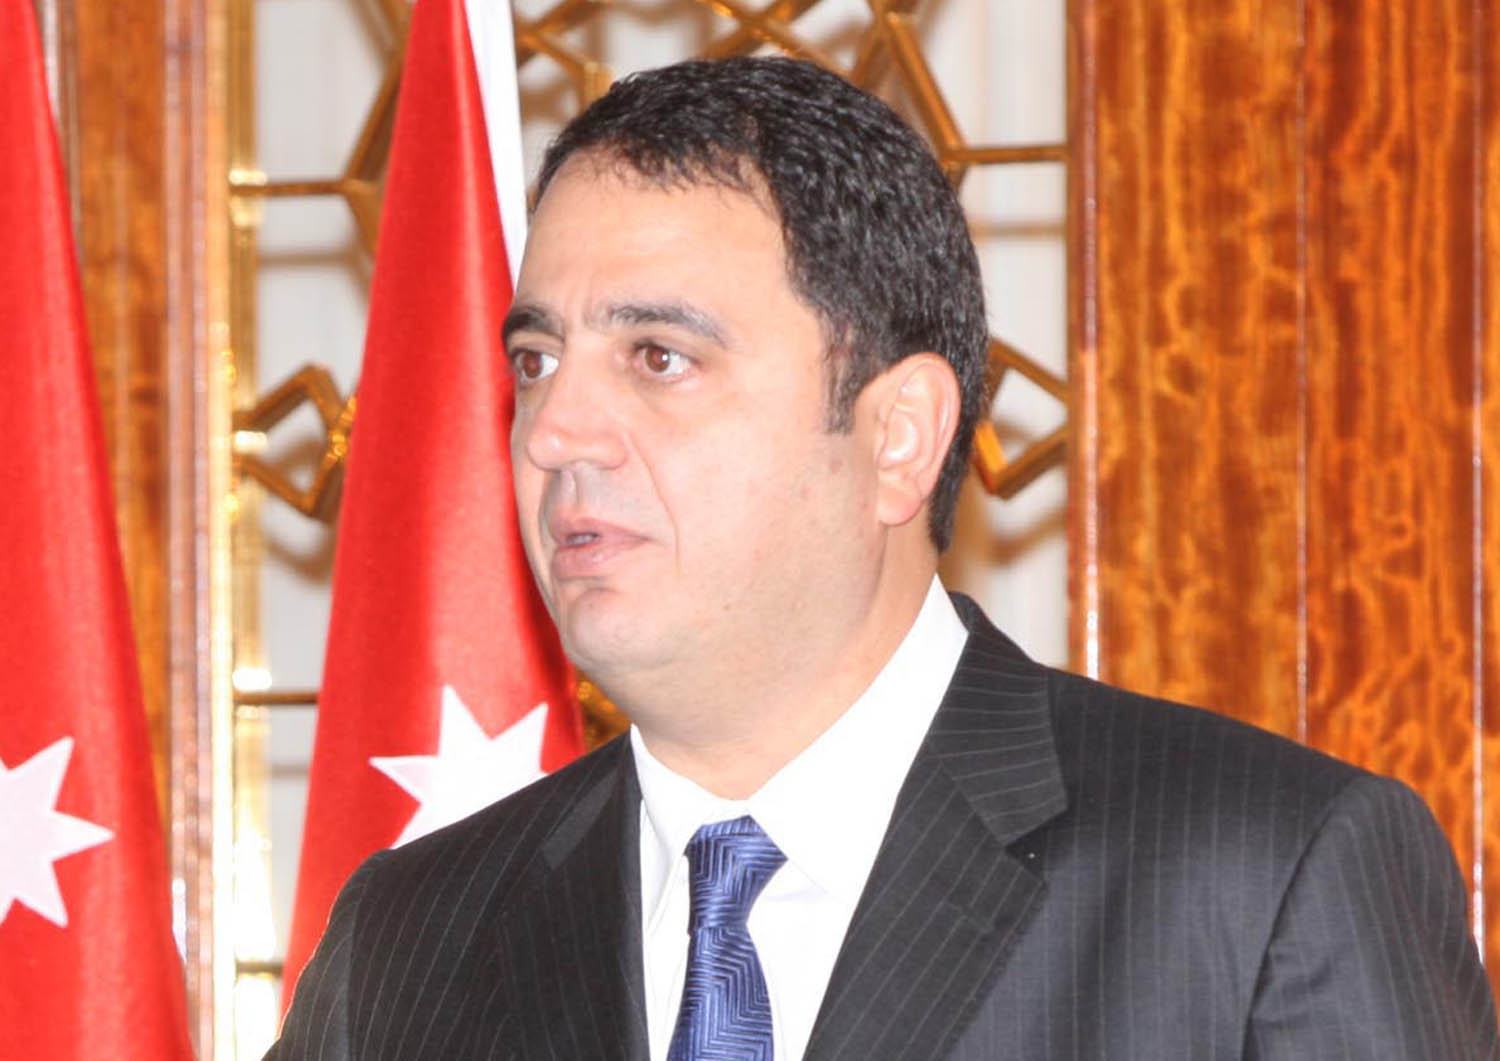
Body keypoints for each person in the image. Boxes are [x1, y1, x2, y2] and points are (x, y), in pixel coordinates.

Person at [270, 57, 1499, 1059]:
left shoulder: (1261, 878)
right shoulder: (408, 938)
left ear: (899, 434)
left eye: (657, 356)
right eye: (536, 362)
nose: (553, 432)